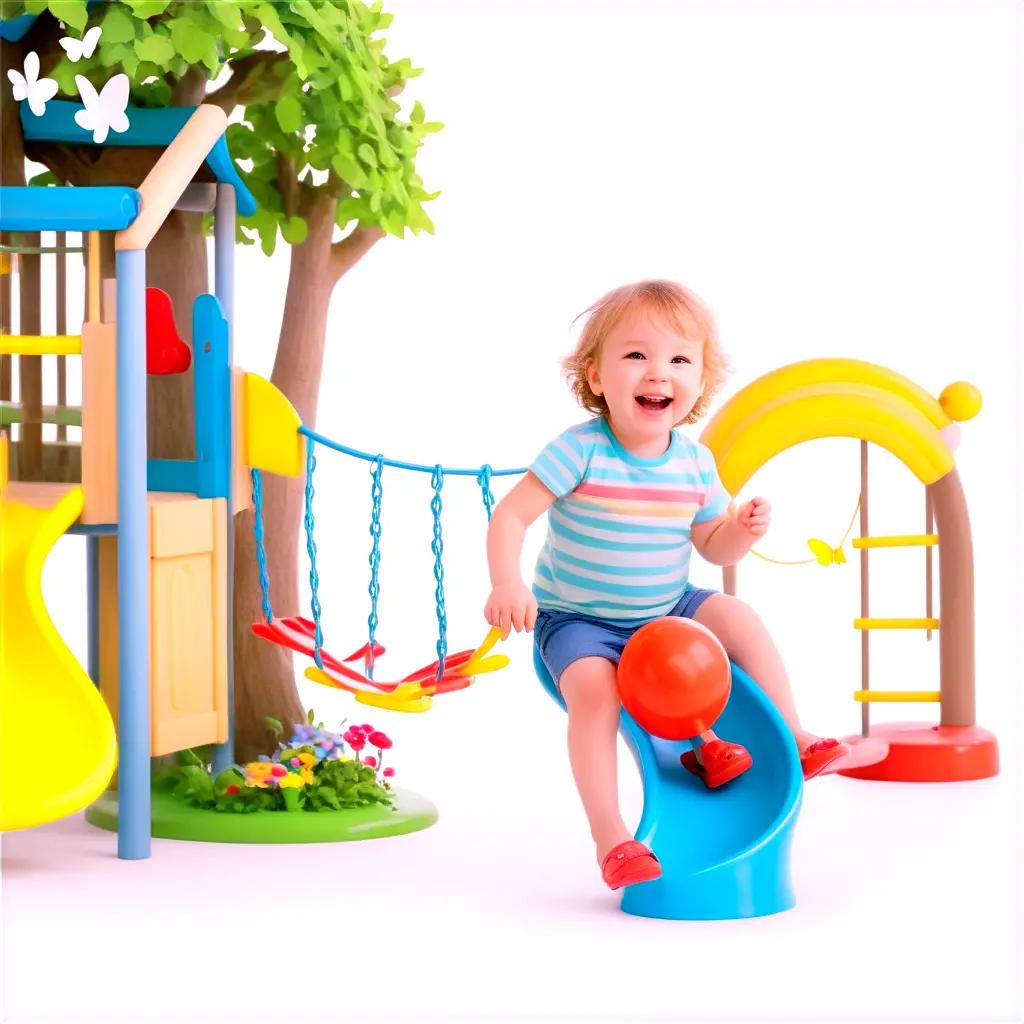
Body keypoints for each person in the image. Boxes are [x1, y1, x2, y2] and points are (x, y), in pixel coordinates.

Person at [483, 280, 886, 891]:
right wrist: (507, 583)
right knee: (596, 693)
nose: (658, 373)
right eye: (636, 355)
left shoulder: (695, 463)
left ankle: (793, 734)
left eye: (678, 359)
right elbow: (510, 515)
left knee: (737, 616)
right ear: (596, 376)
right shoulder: (579, 452)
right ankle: (612, 837)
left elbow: (710, 545)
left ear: (699, 380)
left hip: (666, 608)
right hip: (579, 619)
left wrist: (740, 533)